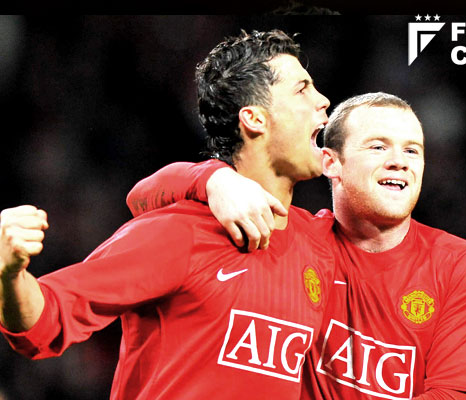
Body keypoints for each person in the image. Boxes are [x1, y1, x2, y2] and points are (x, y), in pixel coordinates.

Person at [0, 29, 337, 399]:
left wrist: (208, 177)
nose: (322, 100)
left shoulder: (322, 245)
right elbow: (45, 320)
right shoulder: (182, 233)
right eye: (302, 89)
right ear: (254, 118)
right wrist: (9, 277)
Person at [126, 92, 466, 399]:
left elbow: (457, 396)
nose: (399, 162)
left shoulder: (462, 267)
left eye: (412, 150)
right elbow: (142, 199)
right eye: (378, 147)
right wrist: (214, 180)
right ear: (330, 162)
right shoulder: (287, 236)